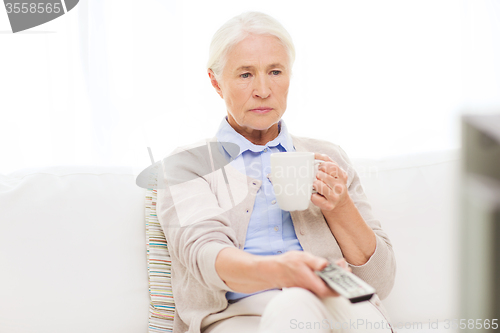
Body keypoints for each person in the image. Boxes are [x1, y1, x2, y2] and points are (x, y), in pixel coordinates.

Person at [157, 11, 396, 333]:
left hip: (338, 305)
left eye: (275, 71)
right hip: (237, 316)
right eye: (245, 75)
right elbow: (204, 256)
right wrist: (283, 272)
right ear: (216, 82)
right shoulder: (188, 164)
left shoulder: (328, 157)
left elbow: (379, 281)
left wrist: (340, 207)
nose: (263, 90)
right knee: (292, 304)